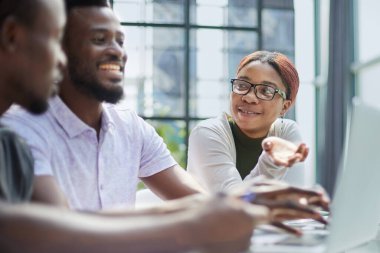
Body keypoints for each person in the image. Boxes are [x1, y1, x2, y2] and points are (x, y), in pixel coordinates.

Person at [0, 1, 327, 252]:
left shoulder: (130, 128)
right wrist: (199, 223)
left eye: (120, 40)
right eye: (99, 39)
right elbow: (62, 234)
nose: (117, 51)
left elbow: (198, 200)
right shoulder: (19, 132)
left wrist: (248, 207)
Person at [187, 51, 309, 192]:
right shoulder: (207, 133)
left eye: (266, 91)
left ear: (285, 106)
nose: (249, 97)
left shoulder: (286, 132)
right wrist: (270, 162)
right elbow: (234, 205)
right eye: (242, 85)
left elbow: (290, 204)